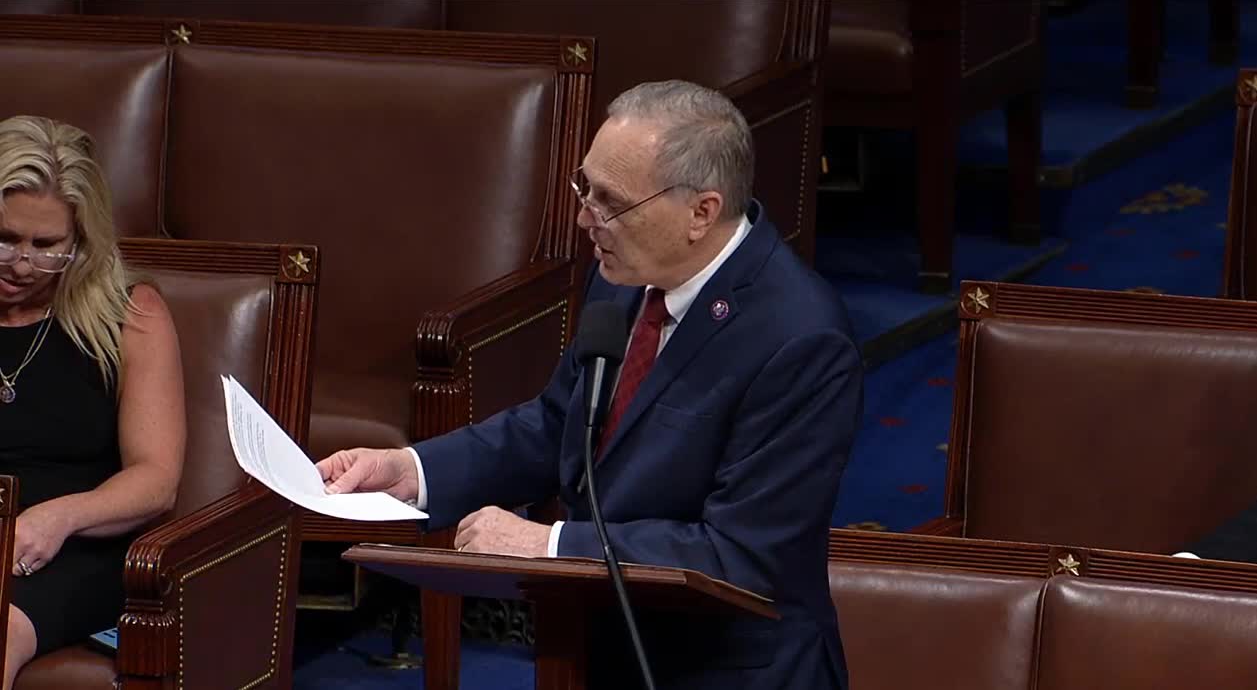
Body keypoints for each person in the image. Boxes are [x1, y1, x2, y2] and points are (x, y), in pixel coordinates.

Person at [320, 80, 863, 689]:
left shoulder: (802, 339)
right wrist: (414, 471)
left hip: (726, 669)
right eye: (585, 188)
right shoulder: (624, 278)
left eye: (611, 202)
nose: (585, 219)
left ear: (701, 212)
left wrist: (550, 544)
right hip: (600, 648)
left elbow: (739, 553)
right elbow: (559, 423)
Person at [0, 115, 185, 688]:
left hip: (69, 548)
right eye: (4, 238)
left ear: (82, 241)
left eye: (47, 245)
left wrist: (56, 518)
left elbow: (157, 478)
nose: (22, 263)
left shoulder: (131, 316)